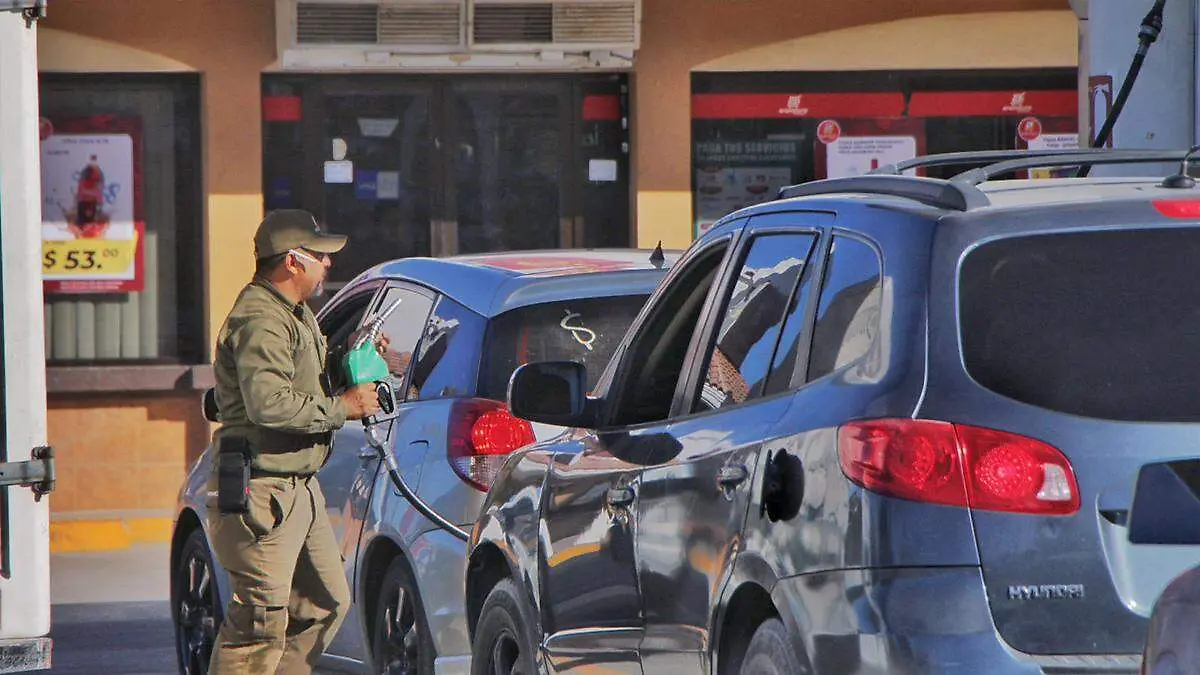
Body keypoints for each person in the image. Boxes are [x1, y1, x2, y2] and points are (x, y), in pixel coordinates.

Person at [206, 209, 381, 674]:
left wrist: (350, 364)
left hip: (297, 487)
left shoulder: (294, 313)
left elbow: (302, 379)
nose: (329, 265)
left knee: (323, 603)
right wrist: (344, 406)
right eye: (321, 256)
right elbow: (271, 405)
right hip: (262, 489)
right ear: (292, 261)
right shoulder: (261, 319)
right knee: (257, 626)